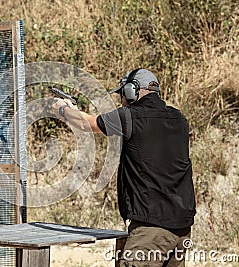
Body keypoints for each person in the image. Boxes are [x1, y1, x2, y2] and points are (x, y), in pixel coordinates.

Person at [52, 68, 196, 267]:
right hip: (181, 228)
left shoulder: (130, 116)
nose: (121, 99)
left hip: (150, 231)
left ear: (132, 91)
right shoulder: (179, 119)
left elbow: (88, 124)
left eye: (122, 94)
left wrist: (63, 109)